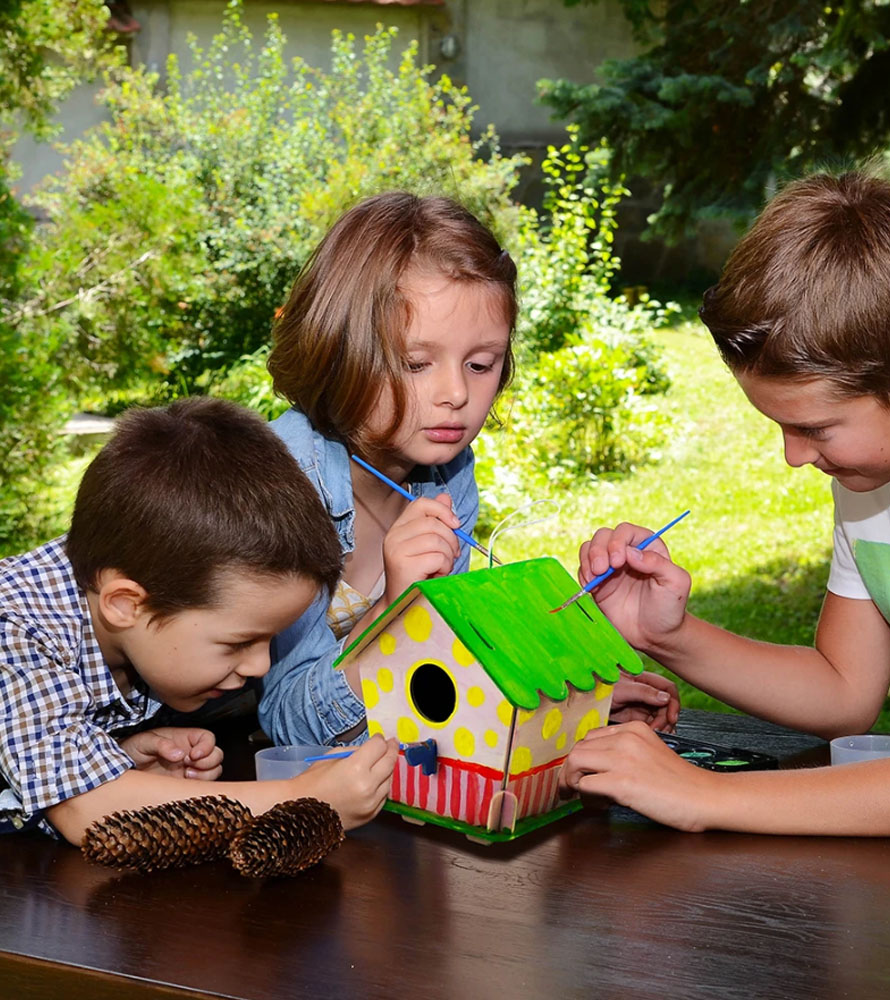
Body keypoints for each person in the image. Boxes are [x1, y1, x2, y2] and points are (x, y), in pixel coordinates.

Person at [561, 170, 890, 837]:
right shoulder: (878, 465)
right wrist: (664, 635)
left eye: (815, 429)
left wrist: (706, 797)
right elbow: (843, 690)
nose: (794, 458)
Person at [259, 191, 679, 747]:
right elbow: (283, 722)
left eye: (482, 364)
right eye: (415, 363)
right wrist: (391, 614)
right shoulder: (281, 488)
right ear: (338, 350)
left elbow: (443, 662)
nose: (456, 394)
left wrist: (567, 690)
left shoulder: (447, 469)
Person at [0, 397, 397, 846]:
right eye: (236, 644)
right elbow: (87, 808)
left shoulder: (142, 582)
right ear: (125, 604)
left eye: (270, 639)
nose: (260, 666)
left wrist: (114, 758)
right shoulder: (16, 628)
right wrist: (299, 798)